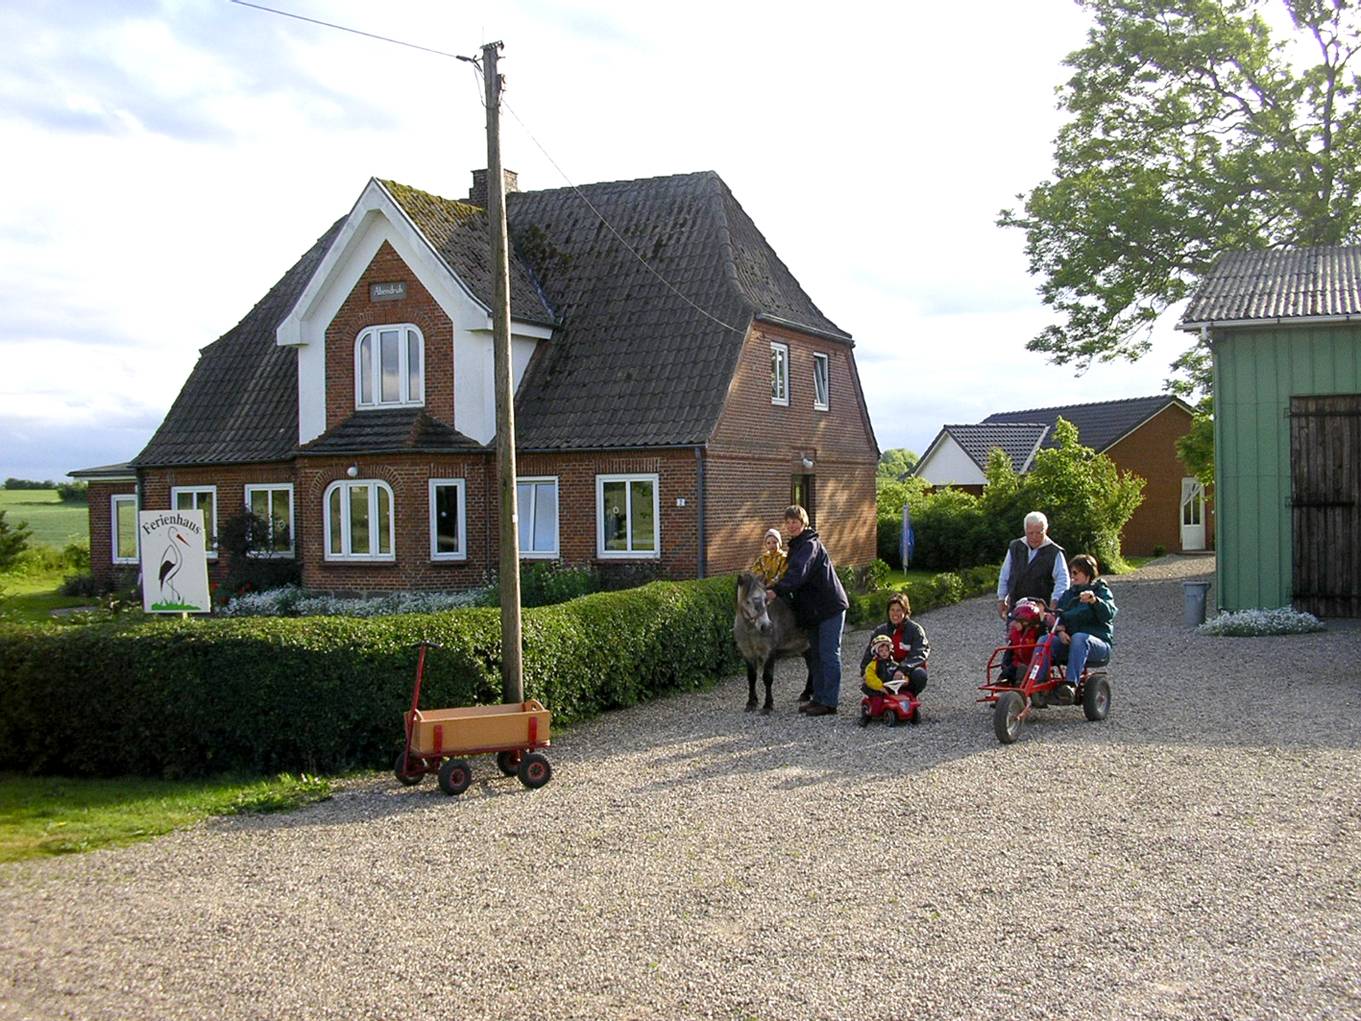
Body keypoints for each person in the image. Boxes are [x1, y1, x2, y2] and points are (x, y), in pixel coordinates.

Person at [766, 504, 848, 718]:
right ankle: (819, 698)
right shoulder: (797, 546)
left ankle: (829, 702)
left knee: (829, 654)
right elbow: (787, 573)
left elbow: (798, 573)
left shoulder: (810, 545)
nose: (792, 525)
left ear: (804, 523)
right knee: (817, 656)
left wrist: (777, 590)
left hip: (829, 607)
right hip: (813, 611)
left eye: (796, 522)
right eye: (789, 522)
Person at [1051, 553, 1116, 702]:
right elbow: (1058, 616)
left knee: (1079, 637)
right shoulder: (1068, 595)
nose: (1072, 577)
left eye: (1075, 573)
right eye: (1071, 573)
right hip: (1071, 643)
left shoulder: (1101, 590)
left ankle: (1070, 685)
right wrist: (1060, 631)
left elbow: (1109, 614)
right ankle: (1035, 685)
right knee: (1044, 640)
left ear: (1087, 573)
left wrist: (1095, 601)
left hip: (1098, 645)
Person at [996, 511, 1069, 621]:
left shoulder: (1055, 552)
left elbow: (1062, 581)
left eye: (1039, 532)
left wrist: (1055, 602)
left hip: (1042, 610)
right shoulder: (1015, 547)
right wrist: (1001, 599)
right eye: (1031, 533)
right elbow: (1005, 575)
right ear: (1025, 531)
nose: (1035, 537)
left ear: (1046, 530)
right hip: (1016, 607)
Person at [858, 592, 929, 696]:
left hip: (906, 672)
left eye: (899, 610)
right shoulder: (880, 631)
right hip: (885, 670)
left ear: (905, 611)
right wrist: (864, 672)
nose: (895, 614)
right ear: (888, 612)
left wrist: (902, 669)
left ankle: (909, 695)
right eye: (892, 610)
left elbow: (920, 653)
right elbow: (869, 653)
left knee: (920, 675)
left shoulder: (915, 630)